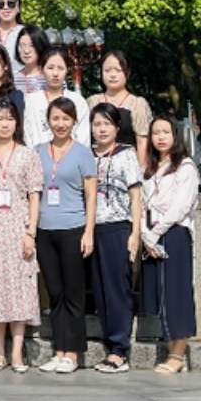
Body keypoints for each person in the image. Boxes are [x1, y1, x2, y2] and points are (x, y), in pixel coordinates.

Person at [35, 98, 99, 373]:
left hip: (73, 227)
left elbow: (91, 195)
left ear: (74, 121)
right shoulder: (38, 151)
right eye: (55, 118)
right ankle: (58, 350)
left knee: (73, 293)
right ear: (48, 121)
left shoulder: (83, 153)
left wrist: (89, 232)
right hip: (44, 230)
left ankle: (72, 353)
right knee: (55, 292)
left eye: (66, 118)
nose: (60, 124)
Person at [0, 100, 42, 372]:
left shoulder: (28, 155)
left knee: (19, 288)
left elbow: (34, 195)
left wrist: (30, 231)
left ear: (17, 122)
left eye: (9, 118)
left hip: (18, 226)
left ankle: (17, 352)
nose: (4, 124)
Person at [87, 102, 144, 374]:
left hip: (117, 226)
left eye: (107, 124)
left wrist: (135, 233)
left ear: (117, 127)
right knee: (99, 289)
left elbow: (136, 196)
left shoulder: (126, 155)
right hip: (92, 228)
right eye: (97, 124)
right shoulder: (87, 155)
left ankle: (120, 350)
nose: (101, 129)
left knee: (116, 288)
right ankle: (109, 344)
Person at [139, 117, 199, 374]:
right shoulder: (148, 168)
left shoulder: (185, 167)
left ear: (176, 135)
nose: (161, 137)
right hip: (151, 233)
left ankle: (177, 354)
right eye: (156, 133)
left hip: (173, 232)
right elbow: (140, 203)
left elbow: (180, 206)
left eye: (166, 132)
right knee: (160, 294)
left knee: (177, 292)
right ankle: (169, 348)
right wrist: (145, 234)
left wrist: (155, 233)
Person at [88, 51, 153, 164]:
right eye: (107, 70)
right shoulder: (92, 102)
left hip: (127, 164)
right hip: (97, 163)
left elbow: (142, 142)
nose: (112, 75)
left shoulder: (137, 104)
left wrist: (140, 169)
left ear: (127, 73)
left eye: (118, 70)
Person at [24, 48, 89, 148]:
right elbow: (28, 135)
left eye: (60, 68)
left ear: (67, 70)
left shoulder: (77, 101)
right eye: (50, 68)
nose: (55, 73)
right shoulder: (31, 101)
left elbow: (83, 137)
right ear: (41, 69)